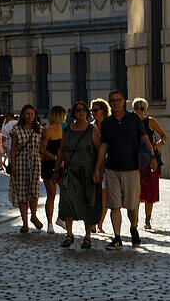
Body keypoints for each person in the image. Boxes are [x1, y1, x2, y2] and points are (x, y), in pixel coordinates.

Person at [93, 89, 156, 250]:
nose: (115, 103)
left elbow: (145, 138)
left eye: (118, 100)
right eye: (112, 100)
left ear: (124, 101)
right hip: (112, 168)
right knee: (114, 205)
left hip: (131, 168)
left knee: (132, 205)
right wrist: (98, 168)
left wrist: (152, 157)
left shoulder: (133, 118)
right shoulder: (107, 123)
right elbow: (103, 146)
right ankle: (117, 237)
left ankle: (133, 228)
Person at [54, 101, 102, 249]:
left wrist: (98, 169)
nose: (81, 112)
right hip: (70, 172)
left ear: (87, 113)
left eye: (83, 110)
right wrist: (56, 169)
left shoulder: (91, 130)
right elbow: (62, 150)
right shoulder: (67, 130)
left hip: (87, 173)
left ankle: (87, 236)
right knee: (67, 200)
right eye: (78, 110)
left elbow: (100, 150)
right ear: (73, 113)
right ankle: (69, 234)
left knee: (88, 203)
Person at [132, 98, 167, 230]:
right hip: (135, 159)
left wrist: (158, 145)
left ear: (145, 109)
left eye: (141, 108)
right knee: (135, 192)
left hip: (150, 159)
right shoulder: (131, 122)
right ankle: (134, 220)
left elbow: (164, 136)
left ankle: (147, 220)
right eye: (136, 108)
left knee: (150, 191)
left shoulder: (150, 121)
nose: (139, 111)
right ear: (133, 109)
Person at [8, 103, 42, 233]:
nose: (30, 116)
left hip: (35, 161)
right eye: (27, 114)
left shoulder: (39, 128)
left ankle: (33, 215)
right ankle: (25, 223)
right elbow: (13, 149)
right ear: (22, 115)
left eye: (32, 114)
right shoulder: (16, 129)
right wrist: (13, 166)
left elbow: (42, 146)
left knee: (34, 191)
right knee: (22, 192)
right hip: (20, 161)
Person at [39, 105, 66, 233]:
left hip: (60, 164)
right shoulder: (47, 131)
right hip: (49, 164)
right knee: (51, 195)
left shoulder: (62, 129)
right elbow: (42, 149)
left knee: (65, 192)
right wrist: (55, 158)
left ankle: (60, 218)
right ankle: (50, 223)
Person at [90, 98, 111, 233]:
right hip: (92, 164)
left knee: (104, 196)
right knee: (93, 196)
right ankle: (92, 222)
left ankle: (100, 224)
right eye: (91, 110)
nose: (93, 113)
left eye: (95, 110)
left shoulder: (110, 126)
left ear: (103, 111)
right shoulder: (90, 127)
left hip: (108, 165)